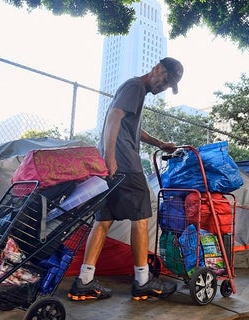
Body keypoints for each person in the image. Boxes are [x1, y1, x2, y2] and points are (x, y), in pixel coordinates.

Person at [67, 57, 184, 301]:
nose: (164, 86)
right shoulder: (135, 87)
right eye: (165, 80)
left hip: (113, 165)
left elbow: (132, 128)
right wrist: (111, 157)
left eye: (169, 85)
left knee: (104, 220)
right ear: (157, 69)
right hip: (124, 164)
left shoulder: (136, 92)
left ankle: (84, 281)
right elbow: (113, 118)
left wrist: (160, 143)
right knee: (141, 217)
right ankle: (143, 281)